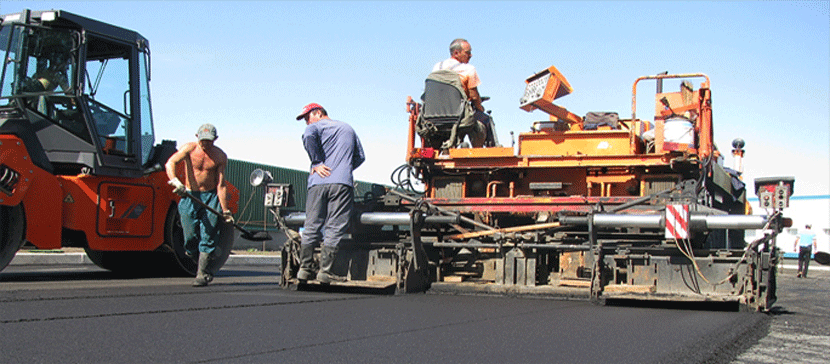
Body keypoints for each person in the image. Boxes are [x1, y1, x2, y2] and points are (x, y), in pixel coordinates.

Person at [296, 103, 365, 283]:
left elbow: (308, 136)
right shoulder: (347, 128)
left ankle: (305, 269)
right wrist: (343, 169)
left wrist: (317, 163)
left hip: (318, 183)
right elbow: (360, 157)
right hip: (341, 184)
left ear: (318, 113)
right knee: (334, 227)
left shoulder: (315, 127)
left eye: (307, 118)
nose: (307, 122)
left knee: (311, 225)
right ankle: (325, 272)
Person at [165, 124, 233, 287]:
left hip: (211, 197)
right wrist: (175, 181)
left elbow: (221, 185)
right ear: (197, 137)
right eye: (203, 140)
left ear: (215, 139)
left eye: (209, 141)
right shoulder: (189, 149)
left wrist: (225, 210)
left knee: (209, 235)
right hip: (190, 196)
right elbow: (170, 163)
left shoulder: (220, 156)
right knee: (190, 236)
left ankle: (202, 274)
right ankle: (196, 256)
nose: (206, 144)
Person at [432, 38, 497, 147]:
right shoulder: (468, 69)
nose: (471, 55)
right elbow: (474, 96)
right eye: (468, 52)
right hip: (459, 115)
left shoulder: (437, 67)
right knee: (486, 119)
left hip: (436, 115)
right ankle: (489, 150)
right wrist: (480, 108)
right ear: (456, 53)